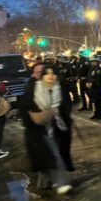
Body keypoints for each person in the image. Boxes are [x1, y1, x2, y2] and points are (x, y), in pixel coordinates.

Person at [22, 65, 73, 194]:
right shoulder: (34, 88)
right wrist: (39, 116)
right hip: (38, 129)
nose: (50, 76)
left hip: (57, 127)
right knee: (53, 154)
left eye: (53, 73)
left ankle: (45, 181)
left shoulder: (60, 88)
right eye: (47, 73)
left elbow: (67, 106)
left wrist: (60, 116)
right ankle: (61, 182)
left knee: (52, 154)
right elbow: (25, 107)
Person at [86, 55, 101, 120]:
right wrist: (88, 82)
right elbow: (88, 77)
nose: (92, 63)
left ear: (97, 62)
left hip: (97, 88)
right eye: (92, 61)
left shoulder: (99, 69)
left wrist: (92, 83)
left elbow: (98, 79)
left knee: (99, 101)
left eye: (94, 61)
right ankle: (96, 113)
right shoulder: (91, 69)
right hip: (92, 88)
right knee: (94, 102)